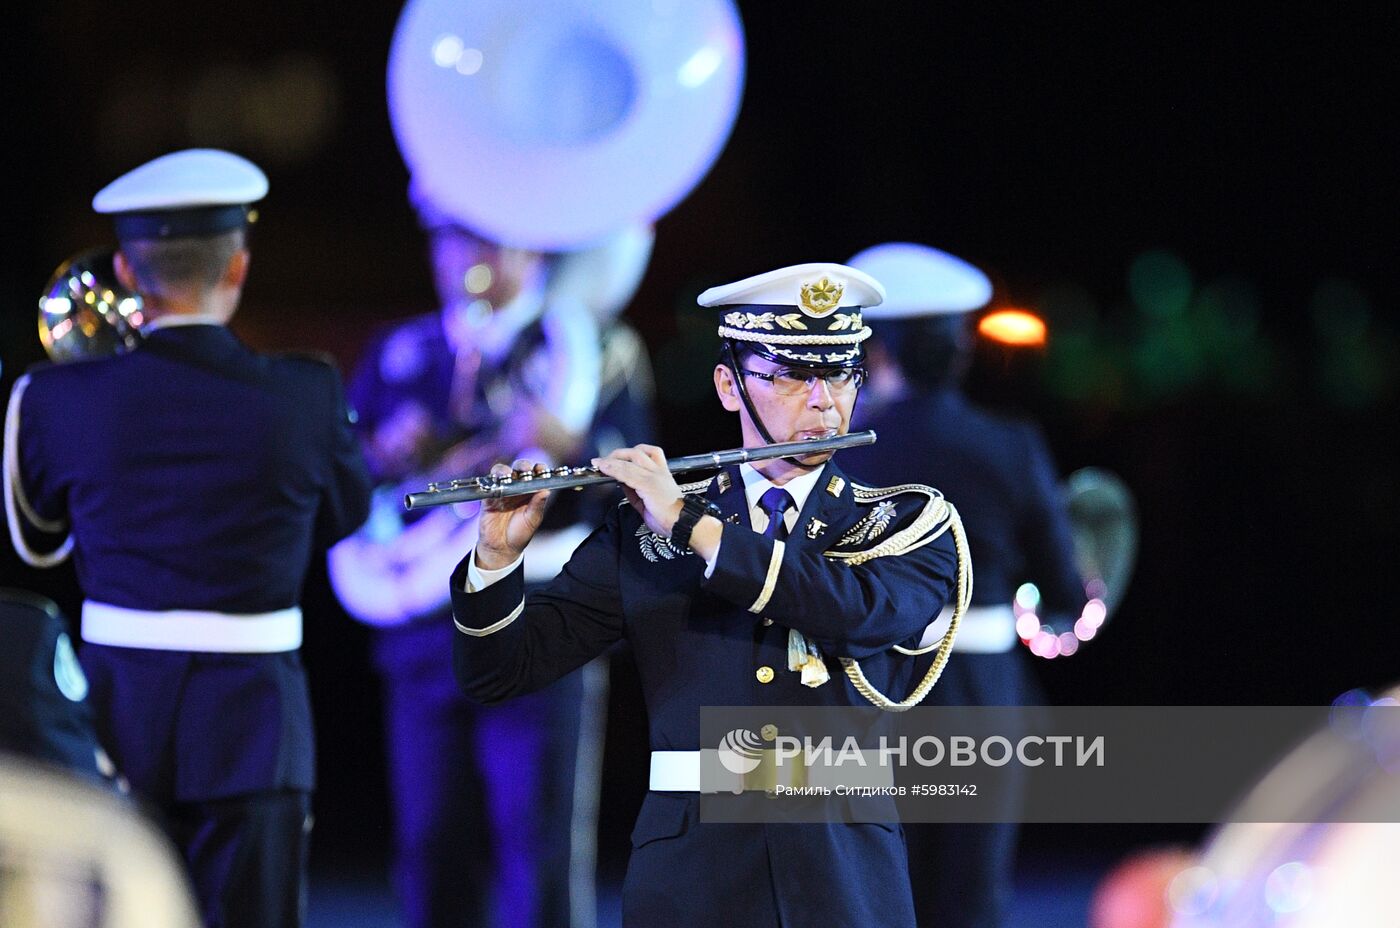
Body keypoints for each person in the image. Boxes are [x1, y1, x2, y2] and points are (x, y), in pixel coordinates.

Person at [450, 262, 968, 927]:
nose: (822, 402)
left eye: (839, 374)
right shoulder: (645, 530)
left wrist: (693, 526)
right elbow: (500, 672)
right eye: (790, 375)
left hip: (844, 874)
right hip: (689, 881)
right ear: (729, 386)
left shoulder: (904, 523)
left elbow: (855, 611)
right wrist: (496, 558)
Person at [3, 148, 372, 928]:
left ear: (129, 275)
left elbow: (38, 540)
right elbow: (342, 518)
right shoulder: (308, 392)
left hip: (113, 709)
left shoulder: (52, 395)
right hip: (258, 717)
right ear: (237, 267)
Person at [327, 210, 652, 928]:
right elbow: (344, 480)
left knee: (537, 839)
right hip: (424, 617)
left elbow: (644, 490)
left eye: (488, 236)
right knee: (429, 839)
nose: (467, 255)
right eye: (451, 235)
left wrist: (576, 450)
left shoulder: (594, 346)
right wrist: (384, 454)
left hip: (540, 615)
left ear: (532, 244)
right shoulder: (402, 348)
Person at [840, 242, 1088, 928]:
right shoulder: (1012, 444)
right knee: (973, 897)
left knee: (884, 895)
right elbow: (1062, 590)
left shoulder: (843, 453)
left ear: (876, 351)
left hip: (874, 692)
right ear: (959, 349)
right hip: (983, 697)